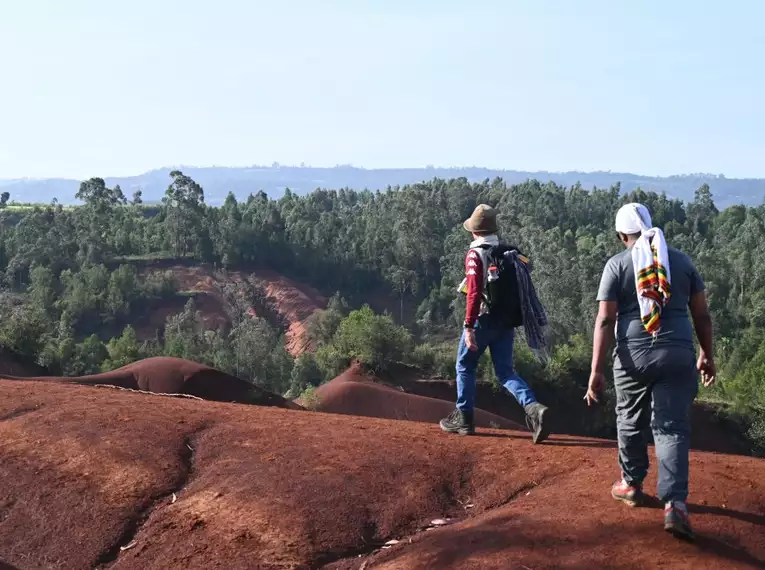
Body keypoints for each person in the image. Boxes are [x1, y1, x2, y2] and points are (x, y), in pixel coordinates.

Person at [585, 202, 716, 541]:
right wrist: (707, 354)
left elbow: (605, 319)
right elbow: (701, 315)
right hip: (676, 354)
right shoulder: (682, 261)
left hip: (632, 358)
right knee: (671, 428)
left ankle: (630, 484)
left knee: (629, 419)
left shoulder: (617, 265)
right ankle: (675, 505)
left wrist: (596, 370)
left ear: (620, 235)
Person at [439, 204, 551, 443]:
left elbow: (474, 293)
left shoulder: (475, 254)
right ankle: (533, 408)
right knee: (505, 371)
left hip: (484, 320)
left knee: (465, 365)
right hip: (506, 321)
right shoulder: (509, 252)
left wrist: (469, 327)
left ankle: (464, 418)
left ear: (474, 231)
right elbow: (527, 269)